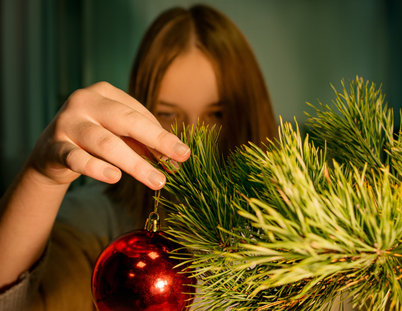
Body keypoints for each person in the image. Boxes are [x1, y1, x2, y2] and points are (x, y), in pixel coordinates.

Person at [0, 4, 277, 310]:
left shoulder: (284, 230)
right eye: (168, 113)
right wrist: (42, 178)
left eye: (217, 114)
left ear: (248, 114)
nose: (195, 138)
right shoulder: (96, 224)